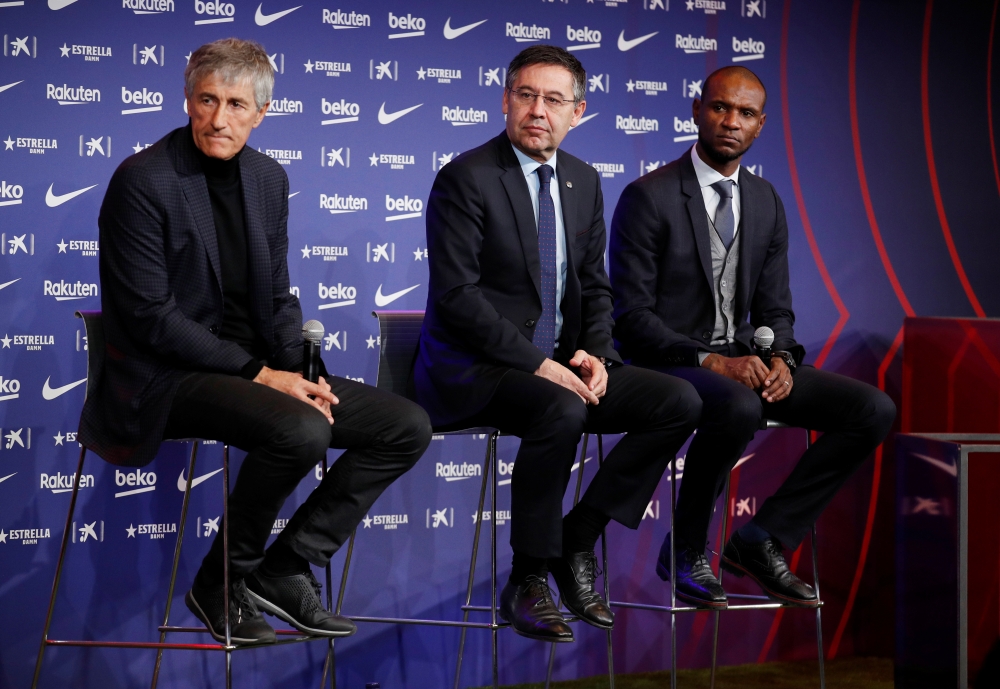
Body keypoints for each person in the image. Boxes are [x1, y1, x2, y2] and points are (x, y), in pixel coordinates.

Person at [80, 38, 432, 645]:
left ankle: (285, 567)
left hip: (257, 370)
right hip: (166, 376)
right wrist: (262, 376)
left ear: (260, 112)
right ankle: (219, 582)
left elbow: (276, 296)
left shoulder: (268, 178)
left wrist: (300, 370)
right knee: (300, 429)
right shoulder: (143, 181)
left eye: (236, 105)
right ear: (188, 99)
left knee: (404, 425)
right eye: (207, 100)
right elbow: (150, 319)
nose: (219, 119)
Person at [414, 45, 701, 643]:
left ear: (578, 112)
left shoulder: (582, 180)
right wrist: (539, 366)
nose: (538, 110)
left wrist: (596, 353)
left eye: (553, 100)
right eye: (526, 95)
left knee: (678, 402)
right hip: (477, 371)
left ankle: (579, 537)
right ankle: (528, 578)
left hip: (559, 366)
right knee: (560, 407)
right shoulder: (466, 178)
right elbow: (457, 298)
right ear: (505, 101)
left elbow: (595, 287)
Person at [609, 66, 896, 609]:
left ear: (761, 125)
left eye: (745, 114)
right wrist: (711, 361)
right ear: (697, 110)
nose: (730, 122)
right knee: (737, 405)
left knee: (872, 409)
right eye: (720, 108)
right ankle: (688, 548)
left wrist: (783, 359)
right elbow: (632, 320)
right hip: (668, 362)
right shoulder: (649, 196)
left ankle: (762, 539)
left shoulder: (764, 200)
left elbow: (775, 309)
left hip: (743, 362)